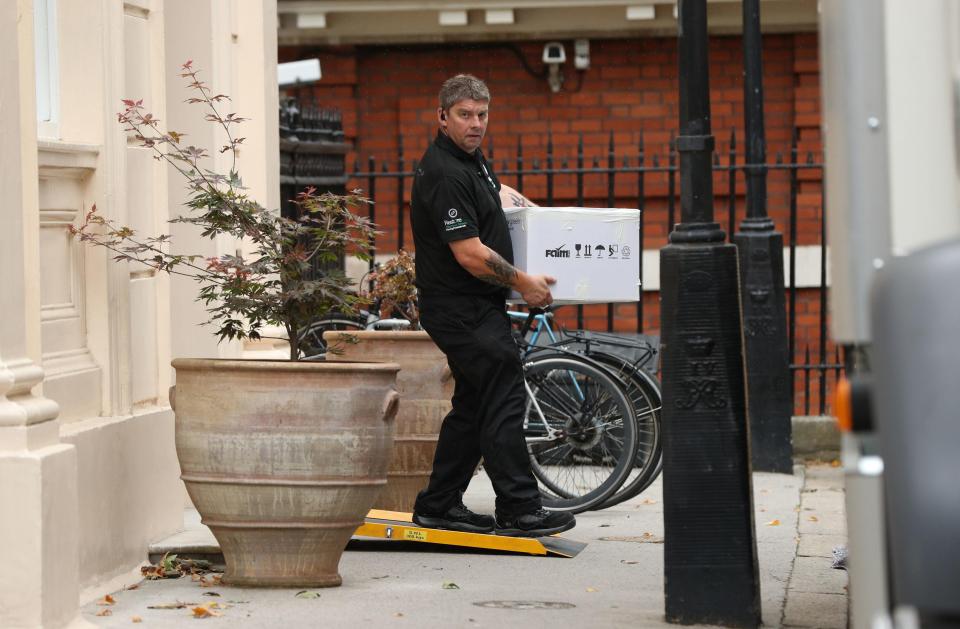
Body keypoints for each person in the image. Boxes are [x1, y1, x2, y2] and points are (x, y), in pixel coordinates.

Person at [409, 74, 576, 537]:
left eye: (482, 115)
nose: (476, 124)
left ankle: (438, 505)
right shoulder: (443, 172)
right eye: (465, 115)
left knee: (474, 405)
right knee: (504, 395)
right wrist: (525, 282)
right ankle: (520, 508)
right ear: (442, 117)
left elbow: (498, 198)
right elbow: (469, 253)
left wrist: (551, 226)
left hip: (476, 308)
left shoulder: (472, 162)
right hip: (460, 309)